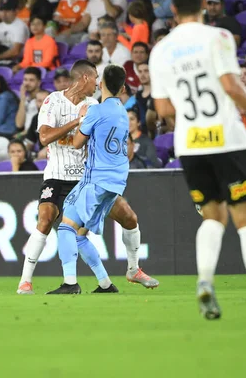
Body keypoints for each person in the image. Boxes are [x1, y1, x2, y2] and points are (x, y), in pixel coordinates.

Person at [150, 0, 246, 319]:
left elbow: (164, 107)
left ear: (173, 11)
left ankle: (205, 281)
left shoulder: (160, 51)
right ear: (202, 6)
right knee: (245, 219)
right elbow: (230, 84)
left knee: (212, 217)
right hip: (228, 141)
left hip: (191, 144)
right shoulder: (218, 37)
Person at [16, 60, 157, 295]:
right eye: (95, 78)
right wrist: (77, 121)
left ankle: (115, 278)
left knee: (127, 218)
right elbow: (44, 138)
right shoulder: (53, 101)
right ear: (84, 78)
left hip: (86, 178)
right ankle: (25, 281)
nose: (98, 83)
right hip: (57, 175)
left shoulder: (95, 105)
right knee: (46, 218)